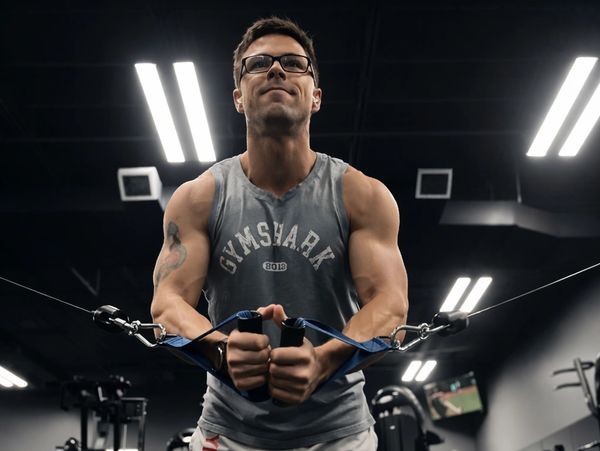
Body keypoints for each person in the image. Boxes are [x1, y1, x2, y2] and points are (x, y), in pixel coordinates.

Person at [150, 16, 408, 451]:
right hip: (229, 432)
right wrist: (220, 349)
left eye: (293, 63)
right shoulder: (197, 198)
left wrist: (323, 361)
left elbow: (391, 305)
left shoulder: (362, 196)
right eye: (258, 64)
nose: (275, 70)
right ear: (238, 97)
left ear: (316, 96)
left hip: (339, 434)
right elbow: (167, 302)